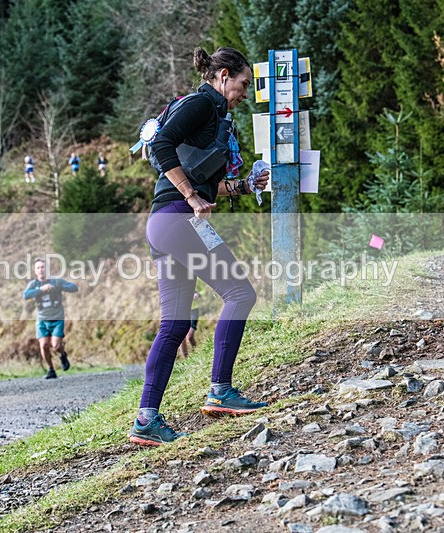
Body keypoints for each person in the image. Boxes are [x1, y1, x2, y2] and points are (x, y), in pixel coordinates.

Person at [128, 47, 270, 447]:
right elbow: (161, 147)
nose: (245, 93)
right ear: (223, 75)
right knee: (240, 293)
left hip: (164, 224)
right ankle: (221, 390)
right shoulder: (200, 103)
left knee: (174, 325)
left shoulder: (216, 115)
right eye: (243, 84)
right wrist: (191, 195)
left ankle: (146, 419)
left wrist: (243, 186)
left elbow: (208, 183)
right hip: (179, 218)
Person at [23, 259, 77, 379]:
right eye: (38, 268)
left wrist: (61, 286)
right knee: (44, 345)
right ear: (35, 271)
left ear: (47, 269)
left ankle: (62, 355)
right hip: (42, 319)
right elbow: (26, 295)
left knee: (56, 345)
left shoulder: (56, 281)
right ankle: (51, 370)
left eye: (42, 267)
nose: (41, 270)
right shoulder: (34, 284)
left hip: (57, 318)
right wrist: (40, 290)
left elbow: (74, 287)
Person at [179, 292, 200, 357]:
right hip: (181, 312)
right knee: (182, 338)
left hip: (193, 310)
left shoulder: (194, 281)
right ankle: (186, 359)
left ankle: (197, 354)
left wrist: (198, 294)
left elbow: (202, 290)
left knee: (190, 336)